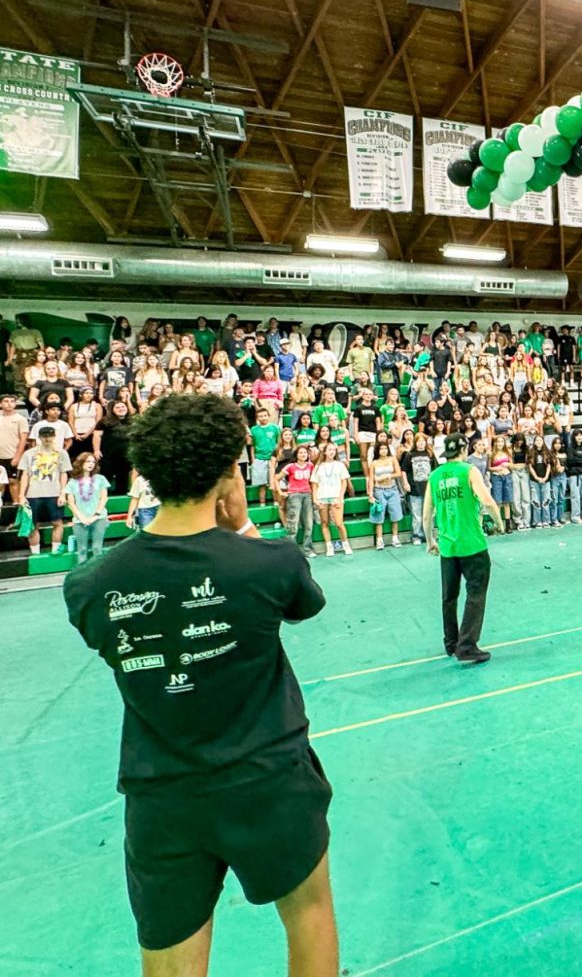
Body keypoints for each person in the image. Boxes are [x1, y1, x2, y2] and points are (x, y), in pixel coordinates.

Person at [62, 394, 336, 976]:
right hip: (270, 782)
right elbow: (303, 603)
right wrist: (240, 525)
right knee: (308, 915)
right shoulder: (271, 564)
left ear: (148, 475)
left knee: (169, 959)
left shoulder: (90, 585)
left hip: (162, 797)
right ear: (228, 474)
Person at [423, 432, 503, 665]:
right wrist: (499, 523)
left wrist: (430, 541)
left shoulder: (435, 476)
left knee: (449, 597)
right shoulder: (469, 471)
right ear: (463, 449)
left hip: (448, 547)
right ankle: (467, 646)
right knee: (475, 594)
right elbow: (487, 500)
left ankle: (451, 642)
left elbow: (427, 514)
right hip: (472, 544)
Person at [18, 425, 71, 554]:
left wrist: (63, 493)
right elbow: (25, 474)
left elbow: (64, 473)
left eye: (50, 436)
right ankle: (35, 552)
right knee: (33, 525)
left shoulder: (62, 453)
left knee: (57, 522)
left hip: (54, 492)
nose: (47, 439)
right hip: (33, 494)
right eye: (44, 436)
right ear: (40, 437)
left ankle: (56, 550)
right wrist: (21, 495)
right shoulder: (29, 454)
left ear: (54, 437)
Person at [65, 452, 110, 565]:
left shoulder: (100, 479)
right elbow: (71, 503)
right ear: (81, 463)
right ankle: (82, 574)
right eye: (88, 461)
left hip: (98, 518)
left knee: (97, 548)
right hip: (80, 520)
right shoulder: (72, 482)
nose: (91, 464)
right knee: (82, 549)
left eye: (93, 462)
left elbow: (104, 498)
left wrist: (96, 515)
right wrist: (81, 517)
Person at [312, 442, 351, 558]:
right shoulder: (318, 466)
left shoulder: (340, 465)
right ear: (324, 452)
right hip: (322, 497)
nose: (332, 452)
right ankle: (329, 546)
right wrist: (315, 499)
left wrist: (340, 497)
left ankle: (345, 544)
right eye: (329, 450)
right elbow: (315, 484)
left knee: (339, 523)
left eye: (334, 450)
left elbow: (344, 481)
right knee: (324, 523)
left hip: (335, 497)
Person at [279, 444, 316, 558]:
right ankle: (291, 551)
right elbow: (276, 478)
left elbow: (313, 481)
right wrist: (281, 492)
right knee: (293, 524)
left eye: (305, 452)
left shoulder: (311, 465)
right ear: (296, 455)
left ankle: (307, 550)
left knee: (309, 524)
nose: (303, 454)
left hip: (308, 495)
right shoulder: (290, 466)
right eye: (300, 453)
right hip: (294, 495)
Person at [367, 439, 404, 550]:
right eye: (381, 448)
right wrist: (370, 494)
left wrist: (388, 476)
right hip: (379, 490)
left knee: (395, 513)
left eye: (385, 448)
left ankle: (395, 537)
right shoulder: (374, 463)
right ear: (377, 450)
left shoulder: (392, 459)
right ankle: (379, 539)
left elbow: (398, 473)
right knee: (379, 514)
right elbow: (371, 479)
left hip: (392, 489)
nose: (383, 450)